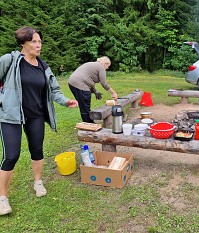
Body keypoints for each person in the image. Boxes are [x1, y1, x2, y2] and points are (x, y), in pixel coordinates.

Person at [0, 26, 78, 215]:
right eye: (34, 41)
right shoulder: (9, 60)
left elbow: (55, 90)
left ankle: (38, 182)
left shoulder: (43, 66)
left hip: (35, 115)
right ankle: (2, 198)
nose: (38, 45)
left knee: (37, 150)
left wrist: (65, 101)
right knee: (11, 155)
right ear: (22, 43)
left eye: (40, 41)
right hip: (11, 115)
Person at [68, 56, 118, 123]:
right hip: (80, 84)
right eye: (108, 66)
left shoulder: (92, 64)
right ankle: (89, 124)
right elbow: (104, 84)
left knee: (83, 105)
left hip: (72, 83)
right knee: (85, 105)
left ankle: (87, 122)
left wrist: (95, 91)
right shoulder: (101, 67)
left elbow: (88, 80)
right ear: (105, 63)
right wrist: (113, 93)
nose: (108, 68)